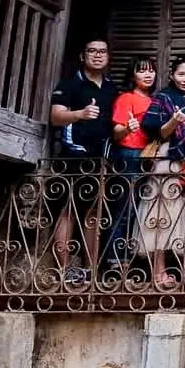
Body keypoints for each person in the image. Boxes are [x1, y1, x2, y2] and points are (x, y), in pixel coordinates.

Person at [49, 38, 118, 283]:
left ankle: (90, 270)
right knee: (68, 211)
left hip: (101, 158)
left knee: (94, 213)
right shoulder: (70, 84)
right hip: (73, 155)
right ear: (83, 55)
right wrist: (80, 114)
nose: (97, 55)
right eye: (92, 51)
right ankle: (64, 270)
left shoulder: (111, 89)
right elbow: (56, 117)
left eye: (102, 51)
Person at [138, 56, 185, 289]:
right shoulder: (163, 97)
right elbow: (153, 130)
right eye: (182, 74)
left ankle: (184, 272)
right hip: (166, 160)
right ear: (172, 75)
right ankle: (158, 272)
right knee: (159, 214)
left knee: (182, 215)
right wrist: (173, 122)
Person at [105, 57, 156, 275]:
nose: (148, 75)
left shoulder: (154, 100)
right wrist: (127, 128)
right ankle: (114, 260)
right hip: (129, 153)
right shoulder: (127, 98)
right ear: (132, 75)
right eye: (142, 71)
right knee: (125, 208)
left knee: (137, 209)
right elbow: (116, 131)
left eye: (151, 71)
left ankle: (126, 258)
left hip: (148, 155)